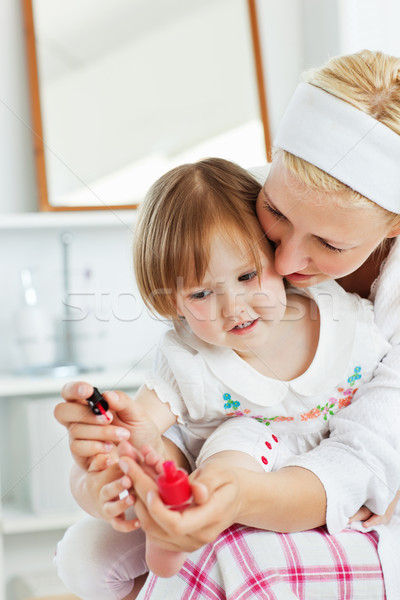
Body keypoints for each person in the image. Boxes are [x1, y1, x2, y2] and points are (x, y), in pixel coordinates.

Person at [54, 49, 400, 600]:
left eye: (331, 245)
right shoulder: (230, 213)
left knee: (236, 506)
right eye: (277, 216)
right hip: (223, 465)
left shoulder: (361, 327)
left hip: (335, 491)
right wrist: (106, 465)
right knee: (86, 552)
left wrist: (233, 496)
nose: (283, 267)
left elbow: (363, 468)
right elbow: (152, 429)